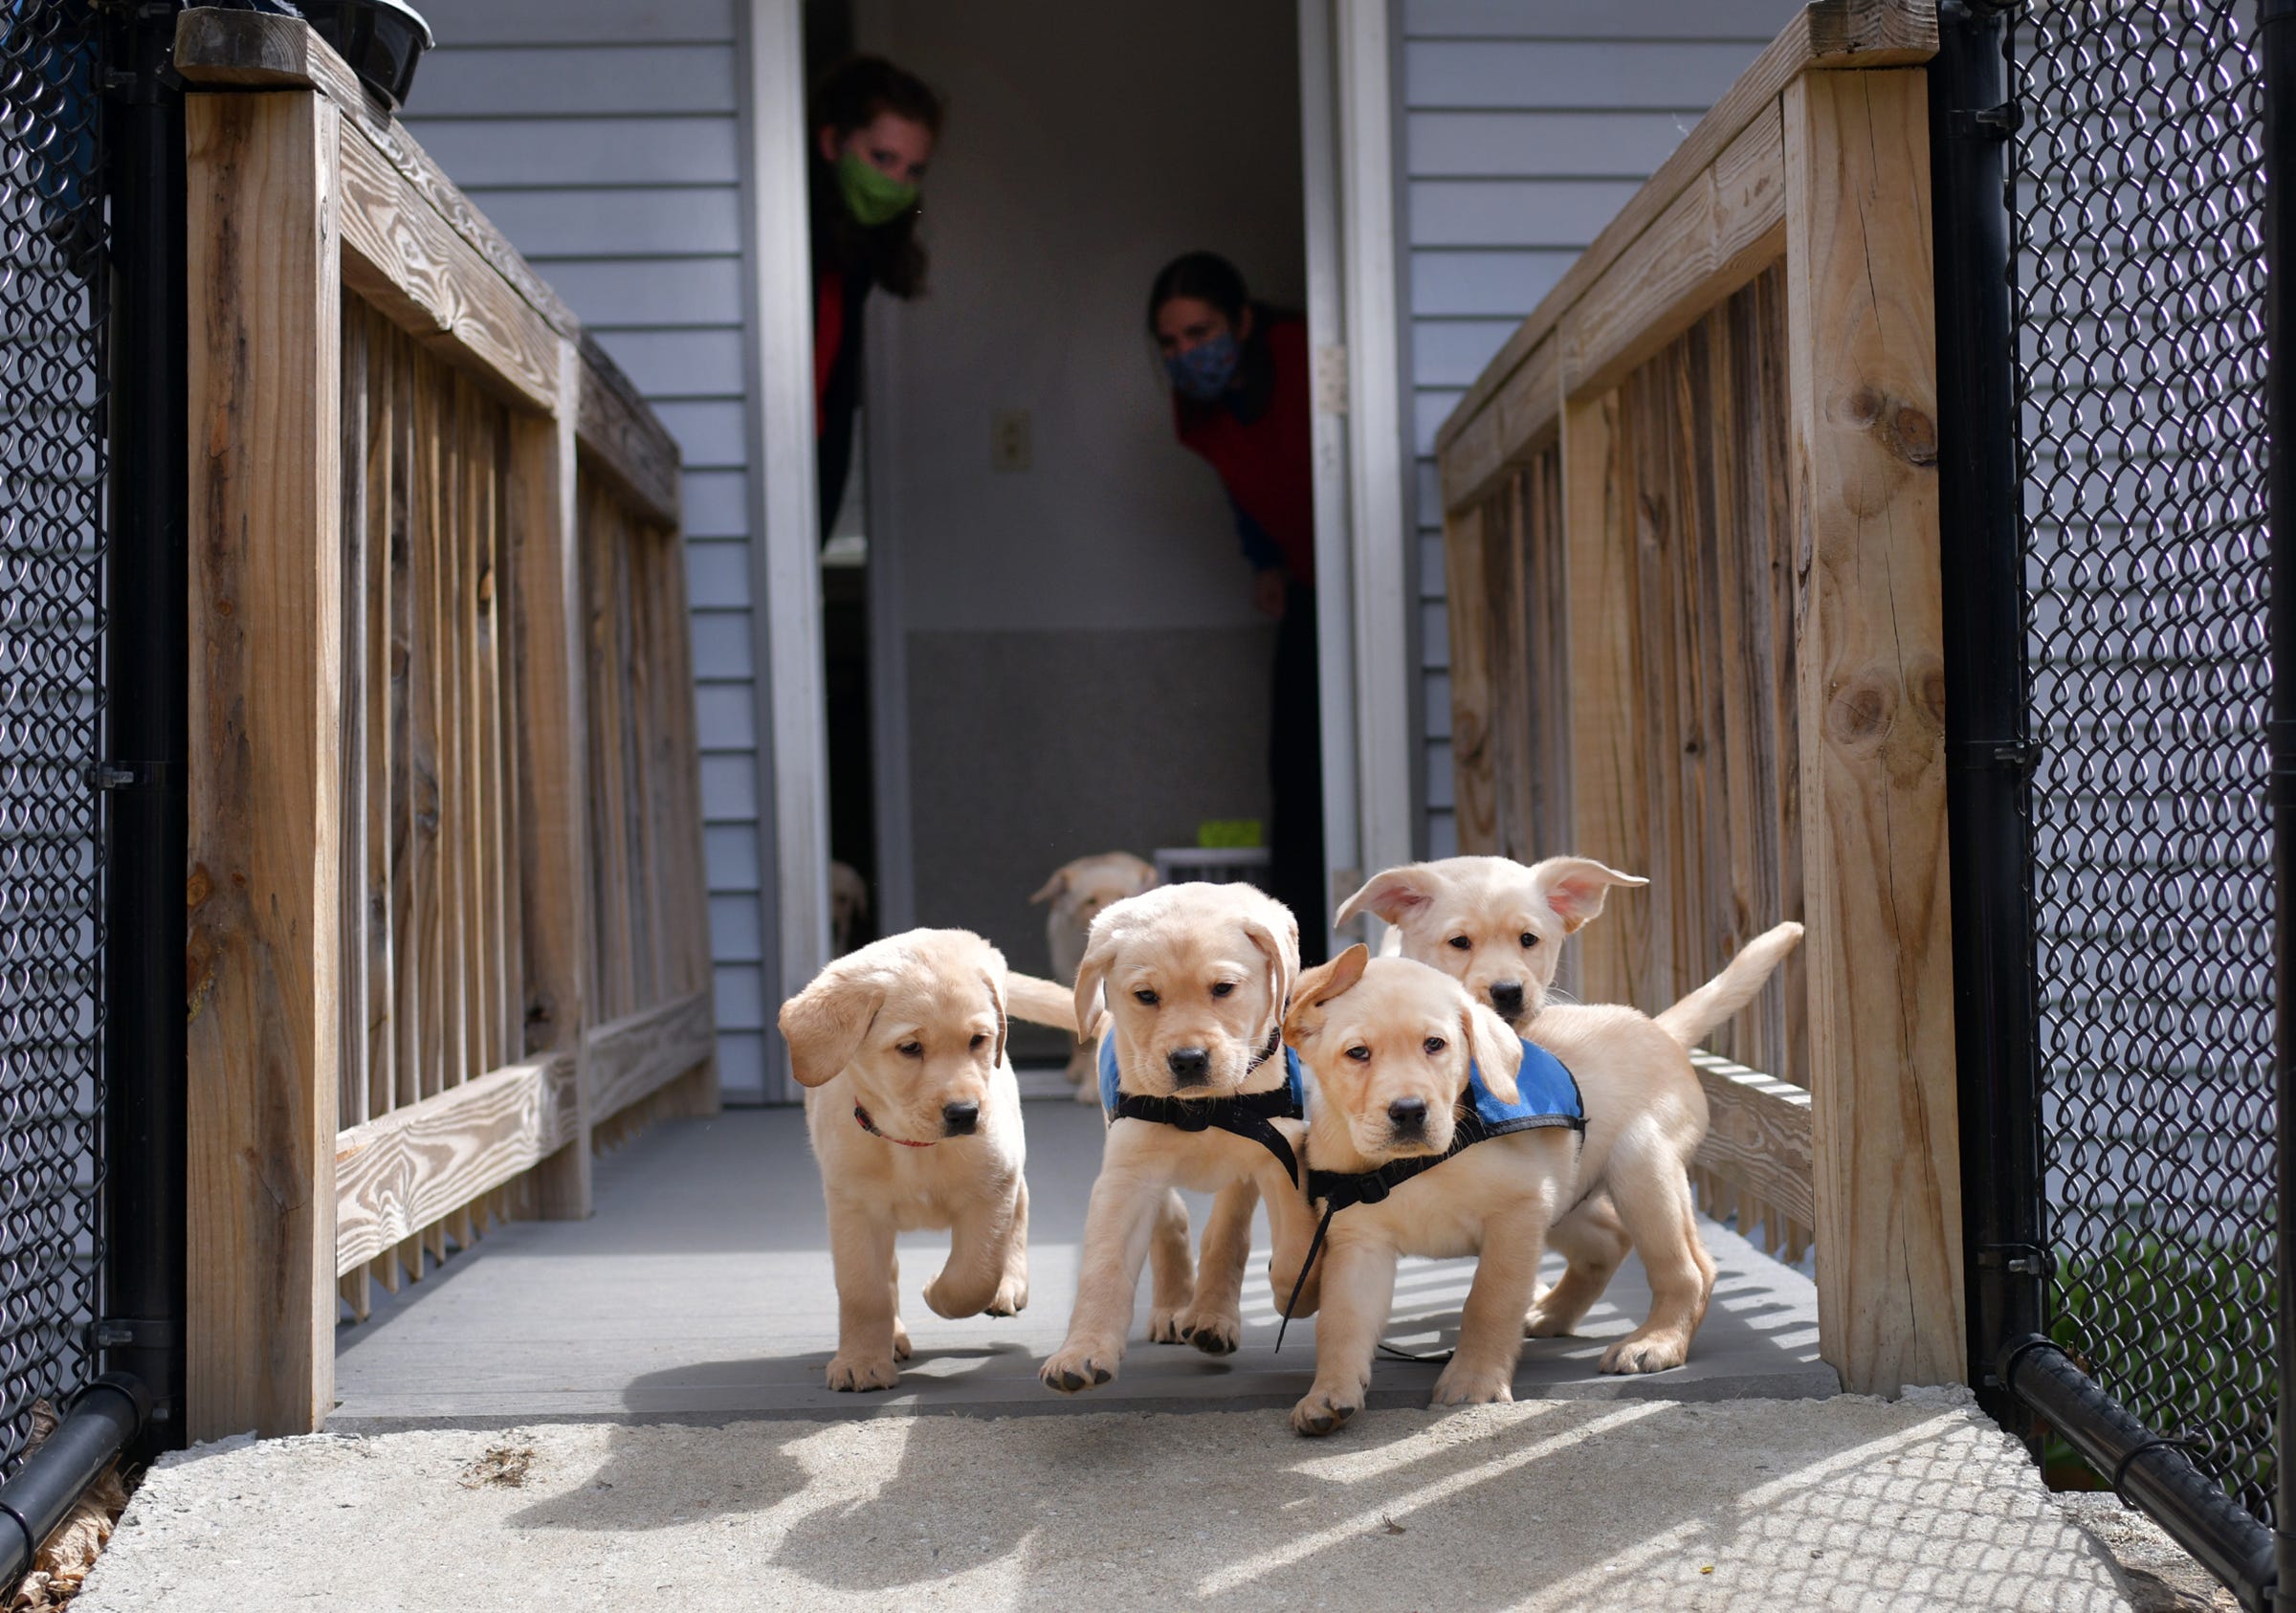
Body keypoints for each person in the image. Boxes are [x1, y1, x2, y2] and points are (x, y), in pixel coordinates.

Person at [1149, 252, 1326, 964]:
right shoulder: (1201, 411)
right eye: (1170, 343)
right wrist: (1267, 561)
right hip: (1304, 582)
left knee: (1328, 763)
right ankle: (1297, 957)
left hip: (1354, 577)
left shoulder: (1308, 359)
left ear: (1243, 322)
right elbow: (1244, 484)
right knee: (1294, 770)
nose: (1187, 353)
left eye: (1201, 332)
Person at [809, 56, 944, 540]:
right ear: (831, 142)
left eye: (913, 171)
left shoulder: (860, 252)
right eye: (883, 159)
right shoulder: (795, 237)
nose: (896, 185)